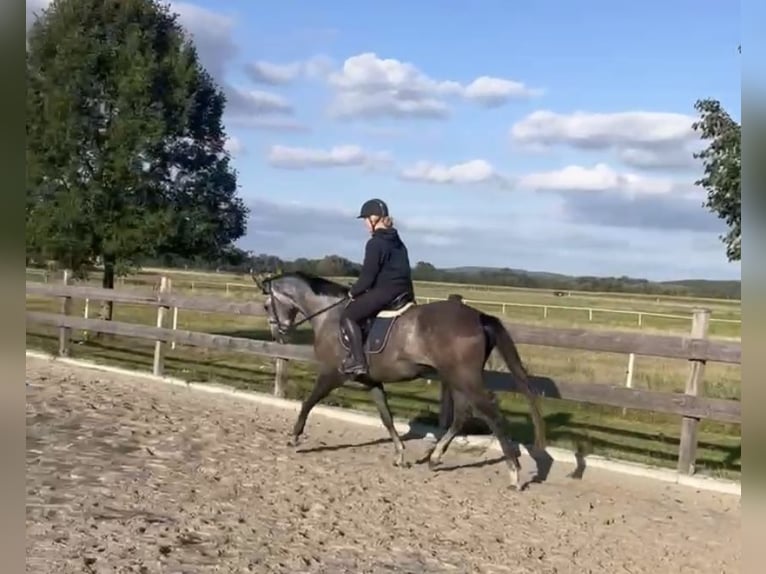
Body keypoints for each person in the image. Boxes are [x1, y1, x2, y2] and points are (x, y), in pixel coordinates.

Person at [339, 198, 415, 376]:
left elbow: (367, 277)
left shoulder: (375, 243)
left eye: (365, 219)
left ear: (374, 219)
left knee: (348, 315)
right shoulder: (398, 241)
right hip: (404, 292)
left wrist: (353, 292)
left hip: (386, 292)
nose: (365, 224)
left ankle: (358, 361)